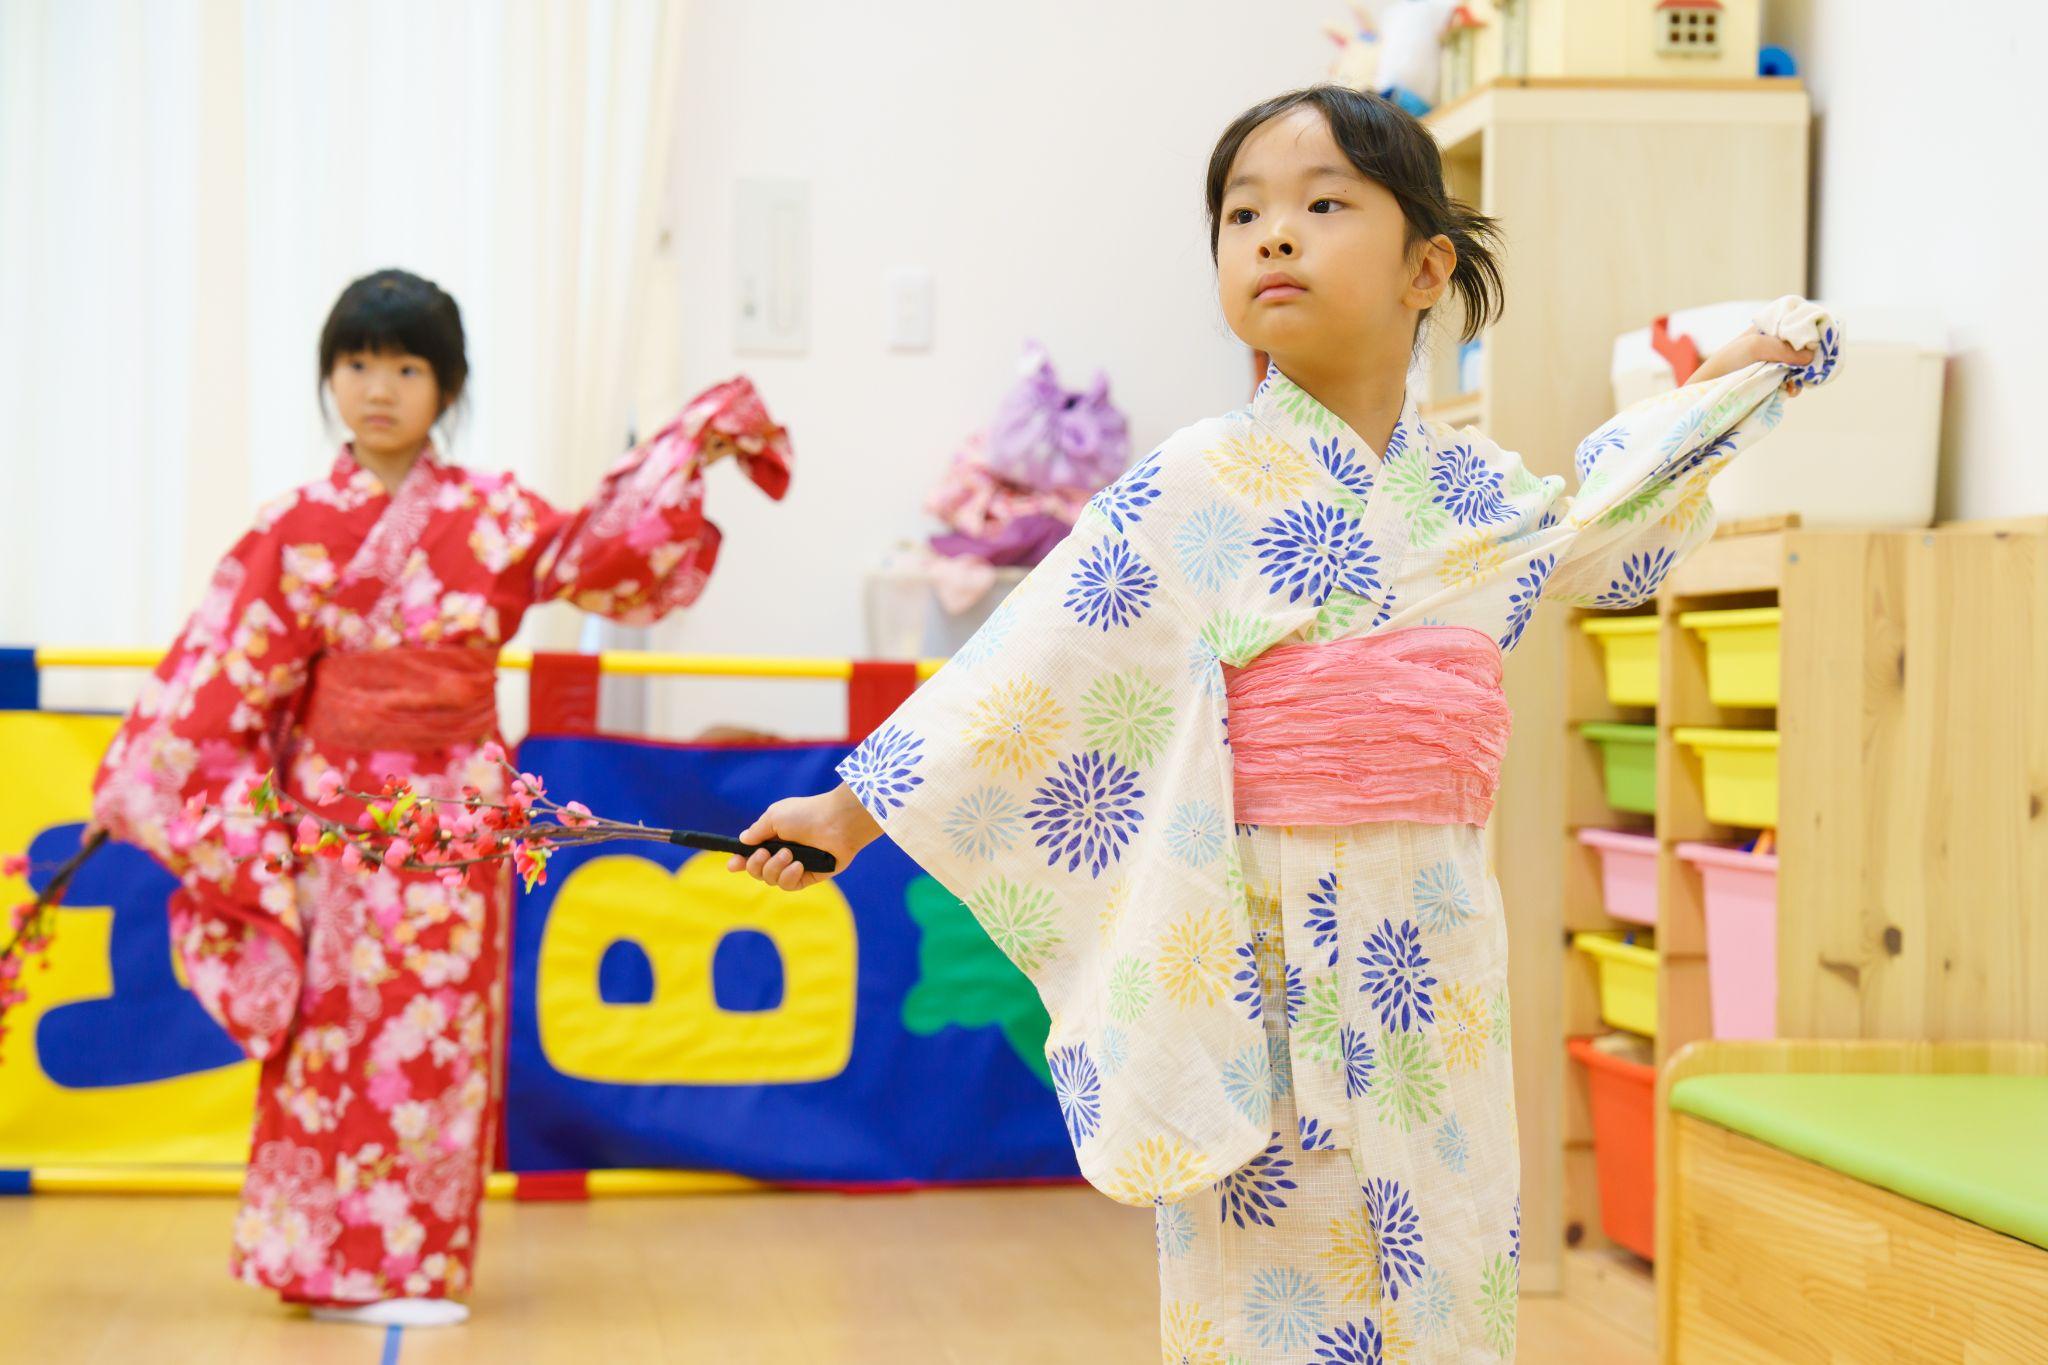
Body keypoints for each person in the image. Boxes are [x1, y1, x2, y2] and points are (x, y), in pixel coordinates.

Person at [729, 85, 1832, 1361]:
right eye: (1240, 213)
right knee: (1271, 1272)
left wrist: (1736, 386)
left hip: (1436, 942)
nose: (1270, 236)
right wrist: (846, 814)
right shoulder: (1199, 477)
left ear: (1428, 267)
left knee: (1447, 1236)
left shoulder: (1472, 490)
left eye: (1319, 206)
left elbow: (1596, 524)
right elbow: (1028, 674)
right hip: (1256, 943)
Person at [91, 268, 790, 1327]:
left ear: (447, 385)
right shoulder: (296, 526)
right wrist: (169, 782)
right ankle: (321, 1261)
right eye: (357, 362)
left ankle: (408, 1266)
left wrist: (682, 452)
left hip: (460, 813)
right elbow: (223, 671)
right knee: (333, 1032)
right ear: (329, 376)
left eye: (407, 366)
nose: (378, 388)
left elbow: (594, 557)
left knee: (441, 1034)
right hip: (336, 818)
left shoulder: (494, 513)